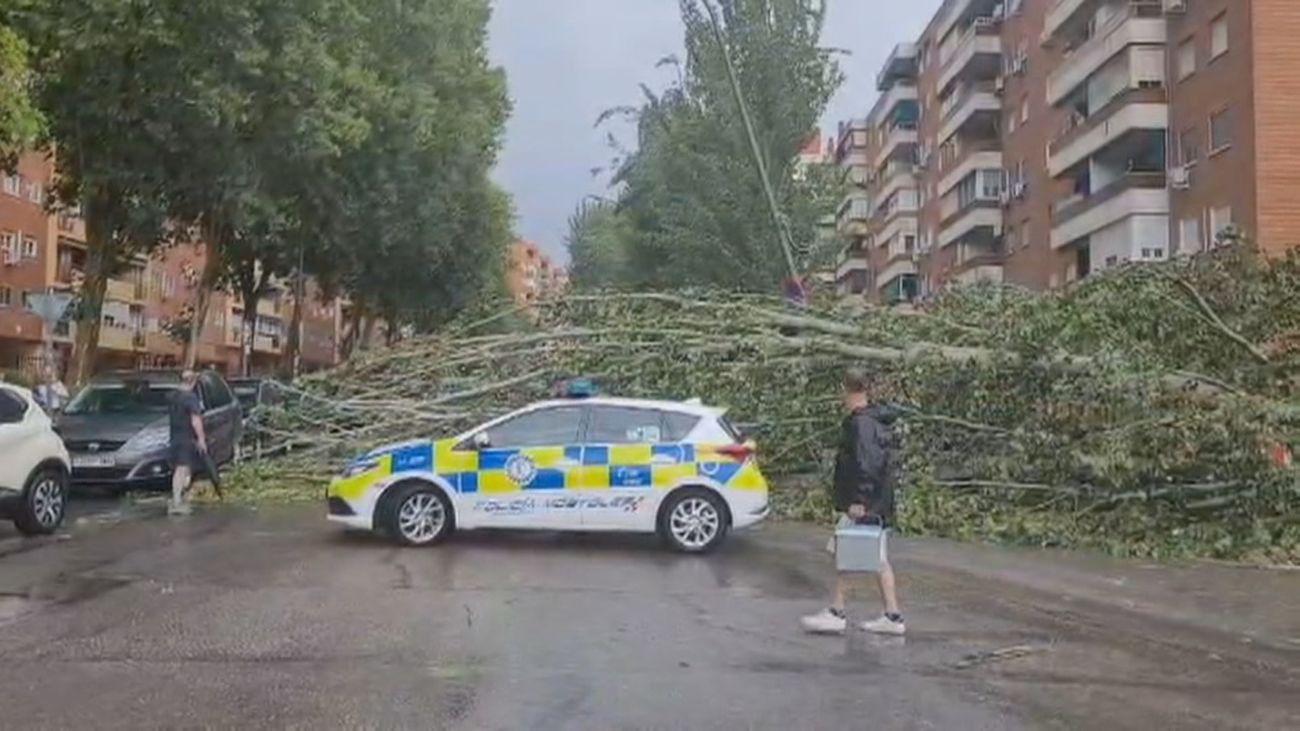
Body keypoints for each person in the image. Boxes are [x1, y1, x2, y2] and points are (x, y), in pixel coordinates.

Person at [801, 368, 905, 636]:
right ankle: (892, 616)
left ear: (848, 390)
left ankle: (837, 612)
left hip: (864, 503)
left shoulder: (861, 424)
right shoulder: (874, 421)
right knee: (874, 557)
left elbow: (866, 464)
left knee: (847, 552)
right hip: (877, 501)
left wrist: (859, 500)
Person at [167, 368, 208, 516]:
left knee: (184, 468)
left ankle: (179, 496)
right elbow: (196, 420)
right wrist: (201, 439)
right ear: (194, 382)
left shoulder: (173, 396)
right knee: (181, 468)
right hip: (186, 437)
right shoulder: (190, 398)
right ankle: (176, 502)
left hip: (174, 436)